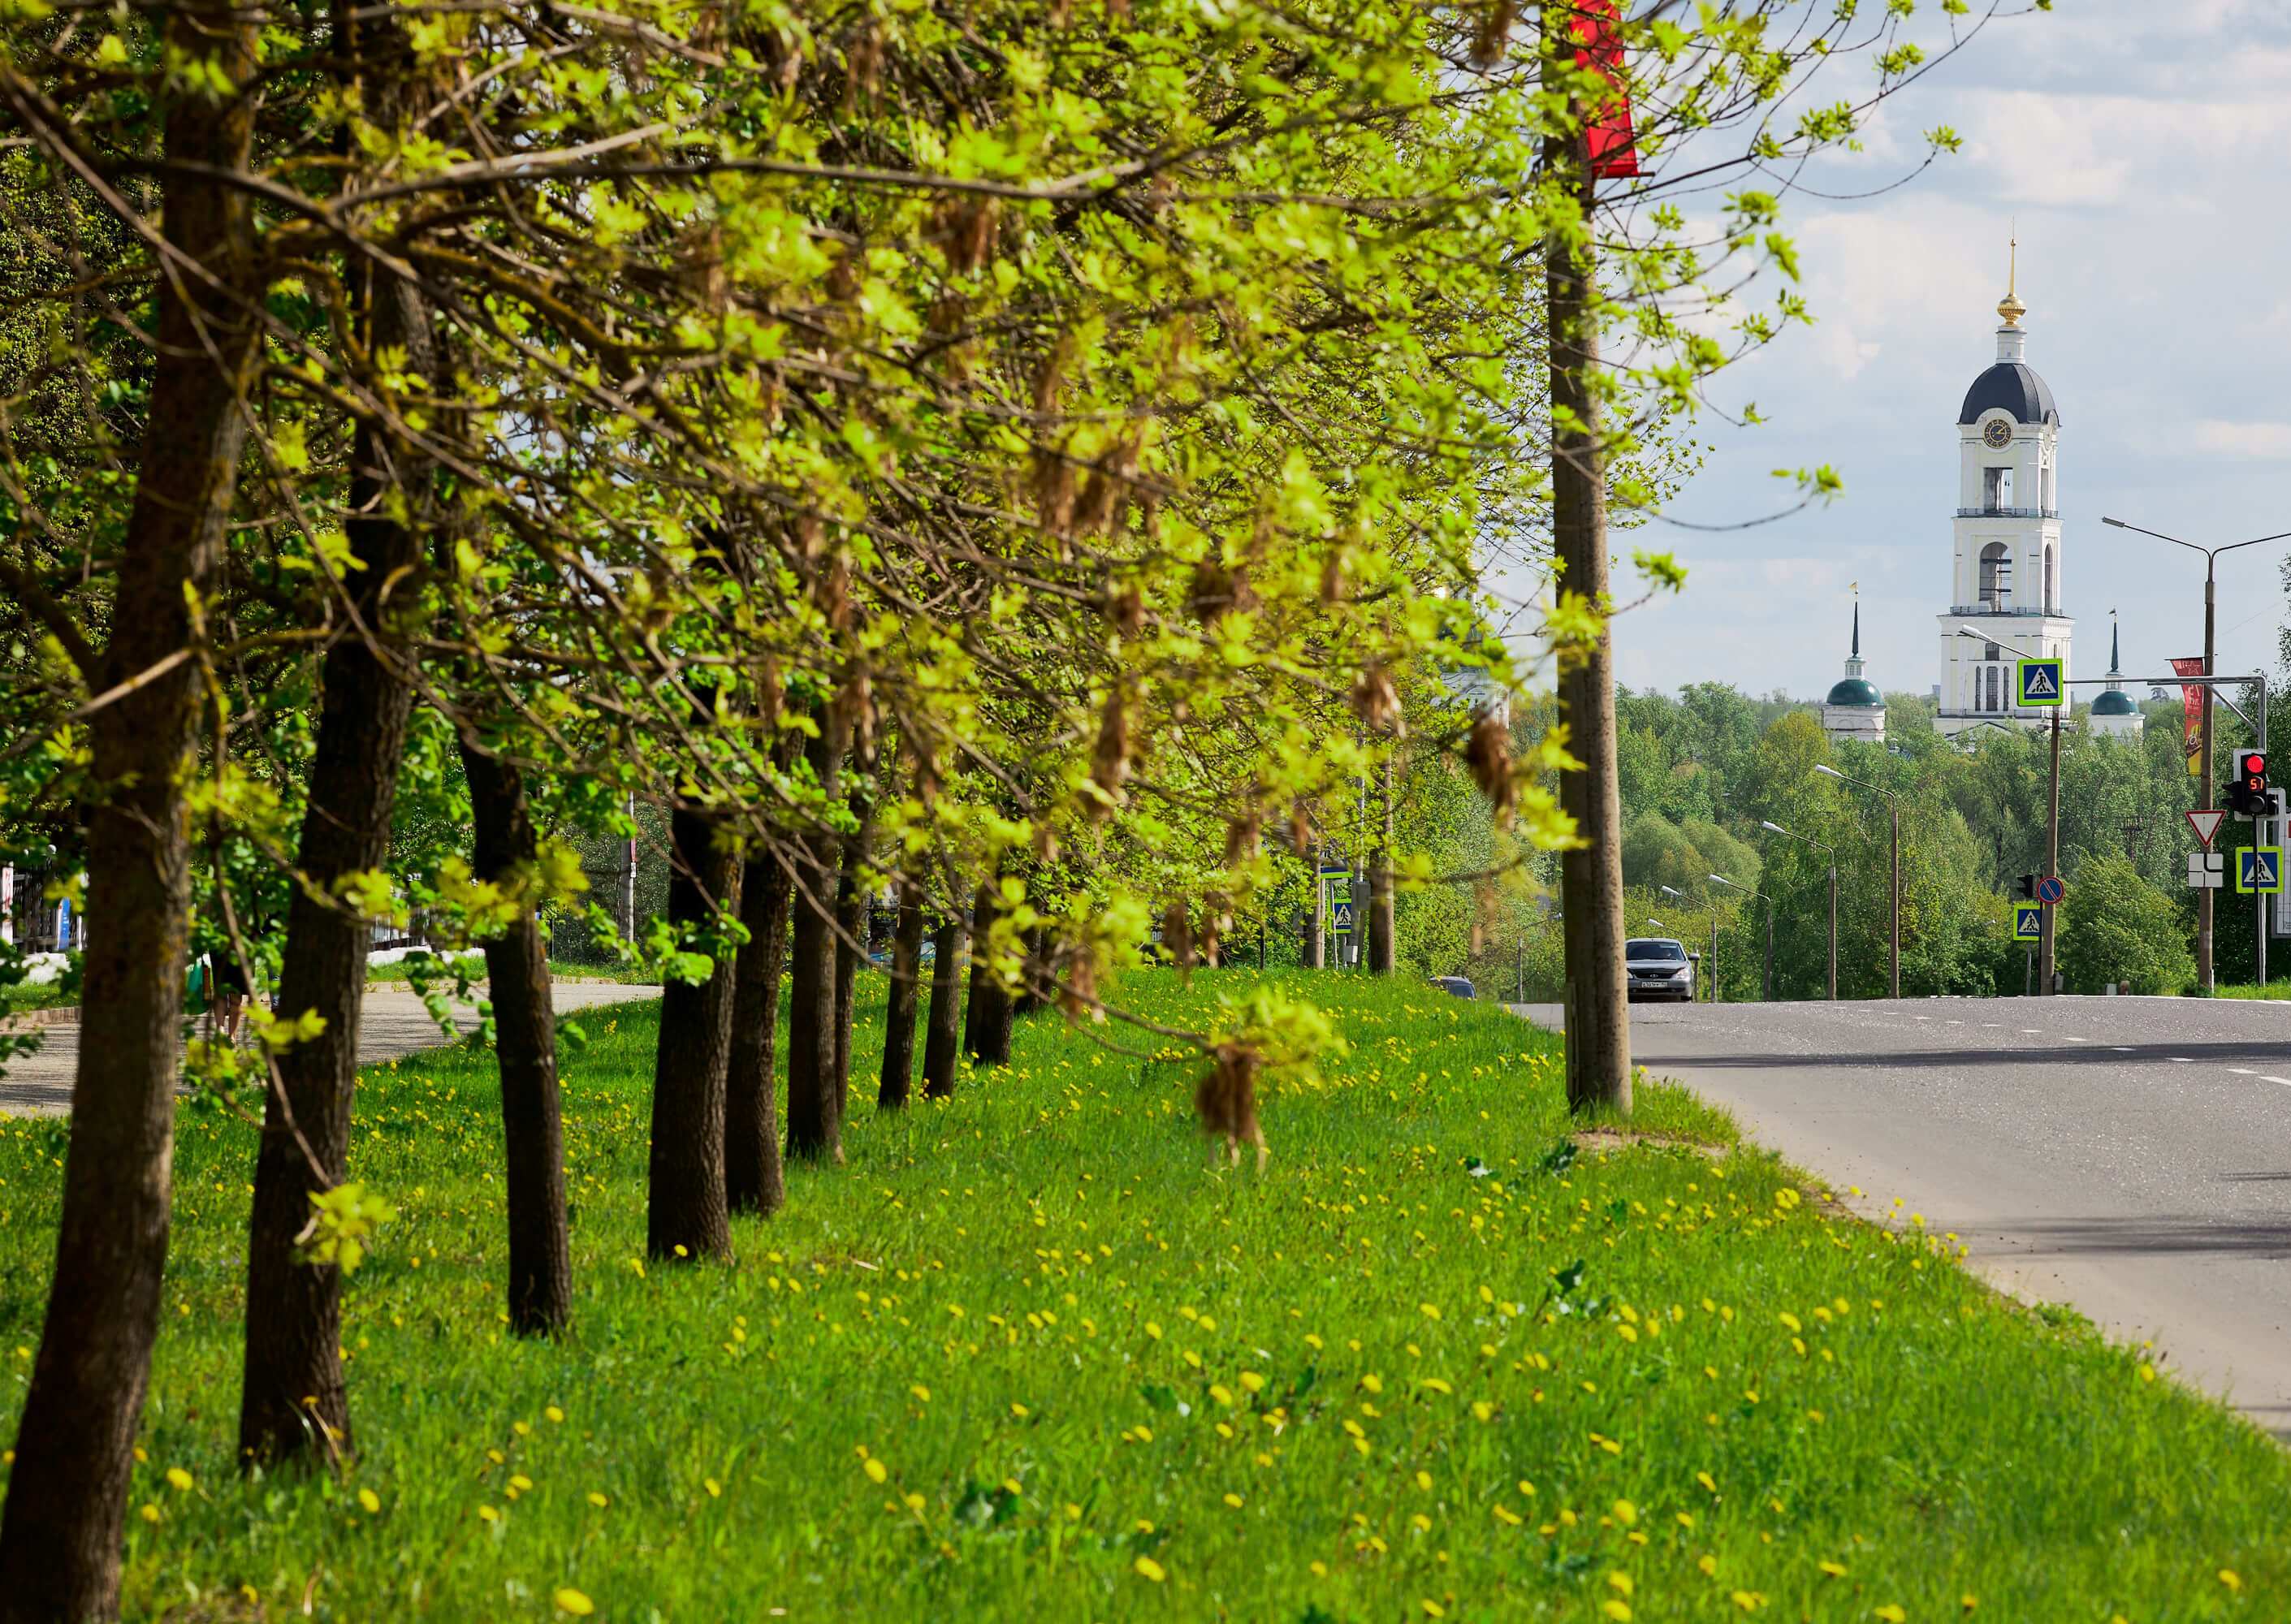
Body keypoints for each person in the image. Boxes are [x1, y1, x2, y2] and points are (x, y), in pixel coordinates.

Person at [208, 948, 249, 1046]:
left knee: (222, 989)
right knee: (235, 992)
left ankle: (221, 1031)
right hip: (242, 942)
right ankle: (231, 1037)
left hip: (220, 943)